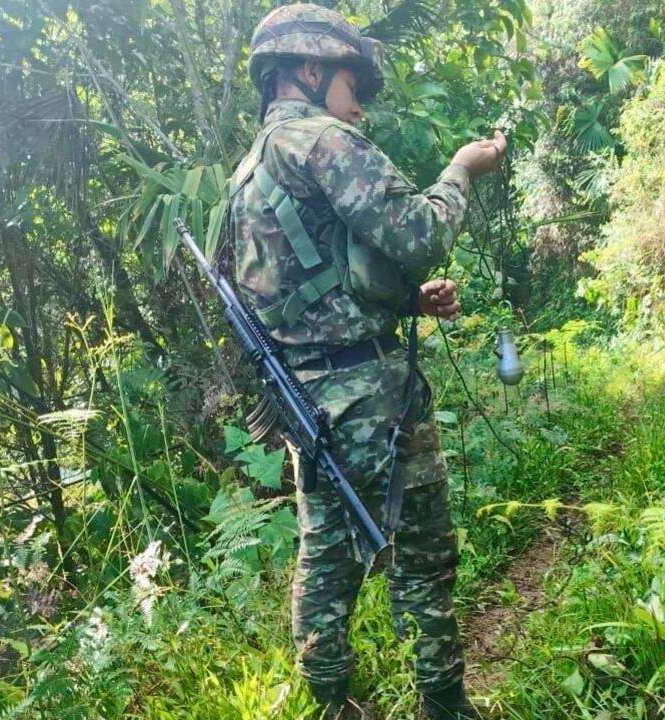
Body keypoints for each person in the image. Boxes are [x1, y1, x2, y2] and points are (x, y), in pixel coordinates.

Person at [227, 5, 506, 719]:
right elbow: (419, 231)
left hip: (309, 396)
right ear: (312, 69)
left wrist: (406, 303)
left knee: (325, 559)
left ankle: (332, 707)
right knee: (421, 548)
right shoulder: (321, 141)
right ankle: (443, 705)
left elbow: (307, 287)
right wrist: (460, 171)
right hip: (371, 394)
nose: (359, 103)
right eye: (353, 81)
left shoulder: (248, 172)